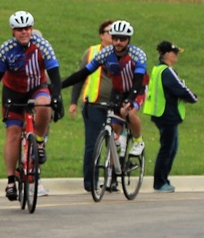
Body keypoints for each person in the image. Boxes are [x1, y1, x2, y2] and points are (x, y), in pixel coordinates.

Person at [0, 10, 62, 201]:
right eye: (19, 29)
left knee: (44, 104)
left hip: (37, 88)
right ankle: (11, 181)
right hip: (13, 93)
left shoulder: (43, 46)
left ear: (32, 29)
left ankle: (39, 141)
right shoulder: (6, 49)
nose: (23, 32)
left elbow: (55, 74)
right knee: (12, 134)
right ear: (13, 31)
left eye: (27, 28)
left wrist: (57, 96)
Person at [62, 20, 147, 192]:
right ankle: (119, 150)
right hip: (118, 90)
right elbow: (83, 73)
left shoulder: (138, 55)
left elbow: (138, 81)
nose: (118, 42)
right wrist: (59, 86)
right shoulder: (105, 53)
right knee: (114, 125)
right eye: (115, 38)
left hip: (136, 88)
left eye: (122, 39)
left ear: (128, 40)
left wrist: (130, 100)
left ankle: (138, 141)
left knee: (127, 112)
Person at [143, 41, 197, 193]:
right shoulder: (166, 71)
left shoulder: (158, 69)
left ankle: (163, 179)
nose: (176, 56)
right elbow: (180, 88)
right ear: (167, 55)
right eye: (174, 53)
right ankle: (160, 182)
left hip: (163, 114)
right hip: (166, 114)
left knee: (172, 148)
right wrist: (193, 97)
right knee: (168, 149)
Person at [68, 20, 113, 191]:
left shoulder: (122, 54)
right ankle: (90, 181)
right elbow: (79, 77)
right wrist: (73, 101)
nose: (113, 35)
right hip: (93, 105)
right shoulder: (92, 52)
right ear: (102, 35)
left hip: (114, 105)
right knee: (93, 144)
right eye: (109, 32)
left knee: (116, 143)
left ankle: (113, 180)